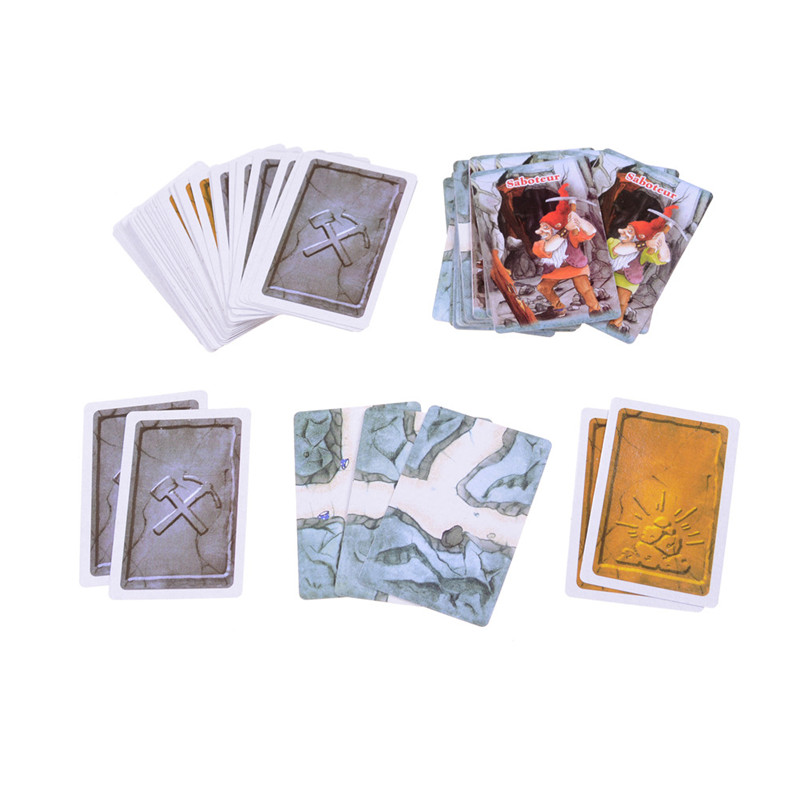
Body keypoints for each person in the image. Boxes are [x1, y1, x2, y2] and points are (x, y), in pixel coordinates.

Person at [531, 184, 603, 317]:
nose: (540, 231)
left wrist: (578, 220)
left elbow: (591, 231)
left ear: (555, 228)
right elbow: (550, 246)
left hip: (576, 267)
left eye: (545, 227)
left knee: (584, 288)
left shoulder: (571, 237)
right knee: (543, 287)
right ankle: (558, 307)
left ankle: (595, 309)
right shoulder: (540, 244)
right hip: (555, 271)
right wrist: (566, 229)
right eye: (541, 227)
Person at [607, 205, 677, 330]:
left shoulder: (644, 253)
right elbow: (620, 250)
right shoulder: (615, 242)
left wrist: (661, 242)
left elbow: (665, 259)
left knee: (622, 302)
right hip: (608, 276)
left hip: (628, 281)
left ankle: (616, 323)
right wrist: (646, 243)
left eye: (630, 231)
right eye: (627, 228)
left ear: (638, 237)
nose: (624, 232)